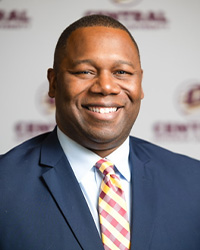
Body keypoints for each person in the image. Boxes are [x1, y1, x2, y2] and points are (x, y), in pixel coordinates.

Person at [0, 14, 200, 250]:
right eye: (85, 71)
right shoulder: (5, 184)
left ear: (140, 83)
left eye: (122, 72)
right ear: (53, 83)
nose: (106, 86)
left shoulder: (193, 182)